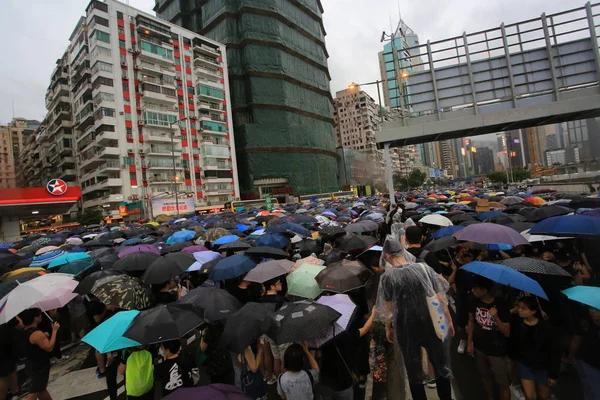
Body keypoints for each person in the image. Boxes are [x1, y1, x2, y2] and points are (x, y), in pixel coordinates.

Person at [379, 240, 454, 400]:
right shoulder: (424, 268)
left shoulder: (388, 277)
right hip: (432, 322)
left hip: (406, 327)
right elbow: (441, 298)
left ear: (387, 255)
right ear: (402, 251)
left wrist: (388, 328)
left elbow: (389, 310)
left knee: (414, 371)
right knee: (441, 367)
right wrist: (448, 320)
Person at [318, 307, 376, 400]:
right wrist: (373, 314)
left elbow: (319, 355)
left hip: (326, 382)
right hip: (344, 381)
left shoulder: (320, 338)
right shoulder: (344, 335)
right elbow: (364, 329)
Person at [467, 277, 511, 400]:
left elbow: (507, 332)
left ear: (485, 290)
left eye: (476, 289)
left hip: (496, 350)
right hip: (480, 347)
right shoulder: (473, 301)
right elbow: (471, 321)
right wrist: (469, 342)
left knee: (503, 382)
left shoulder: (501, 304)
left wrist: (496, 318)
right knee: (485, 376)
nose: (473, 290)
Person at [513, 297, 560, 400]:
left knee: (545, 395)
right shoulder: (518, 325)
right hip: (525, 364)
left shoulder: (546, 328)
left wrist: (553, 374)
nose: (519, 310)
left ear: (533, 311)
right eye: (519, 307)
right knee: (530, 396)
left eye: (523, 308)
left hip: (542, 366)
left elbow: (554, 351)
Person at [20, 308, 60, 400]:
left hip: (31, 364)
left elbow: (33, 343)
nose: (41, 316)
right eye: (39, 315)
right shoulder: (36, 333)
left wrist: (44, 336)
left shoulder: (24, 331)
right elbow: (49, 347)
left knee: (41, 390)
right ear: (35, 318)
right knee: (34, 392)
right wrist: (54, 331)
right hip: (40, 366)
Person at [568, 306, 600, 400]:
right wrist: (570, 357)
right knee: (594, 393)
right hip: (588, 363)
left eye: (597, 309)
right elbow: (576, 340)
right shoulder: (585, 323)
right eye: (591, 308)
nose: (593, 311)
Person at [0, 319, 20, 400]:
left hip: (7, 345)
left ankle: (15, 392)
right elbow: (18, 324)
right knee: (5, 374)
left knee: (5, 374)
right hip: (7, 344)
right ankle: (15, 392)